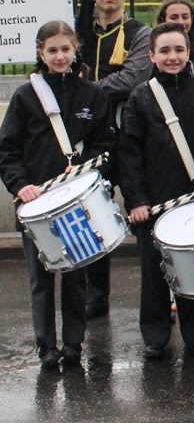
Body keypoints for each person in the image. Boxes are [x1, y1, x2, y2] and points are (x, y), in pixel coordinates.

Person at [0, 21, 115, 368]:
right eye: (52, 50)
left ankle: (73, 343)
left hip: (76, 201)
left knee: (76, 274)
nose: (60, 56)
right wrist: (21, 185)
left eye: (66, 49)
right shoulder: (25, 97)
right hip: (35, 203)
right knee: (41, 278)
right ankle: (46, 346)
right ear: (40, 54)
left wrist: (86, 170)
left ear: (75, 50)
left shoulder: (94, 95)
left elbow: (107, 145)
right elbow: (7, 149)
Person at [118, 23, 194, 360]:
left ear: (188, 53)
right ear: (151, 55)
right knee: (154, 272)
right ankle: (155, 335)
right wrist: (136, 200)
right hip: (152, 203)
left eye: (179, 50)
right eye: (165, 51)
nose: (173, 57)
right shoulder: (139, 97)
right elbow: (129, 155)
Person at [75, 0, 152, 320]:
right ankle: (96, 296)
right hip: (89, 139)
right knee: (92, 216)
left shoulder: (139, 32)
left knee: (144, 212)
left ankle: (159, 297)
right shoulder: (77, 32)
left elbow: (134, 79)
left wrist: (88, 89)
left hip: (130, 137)